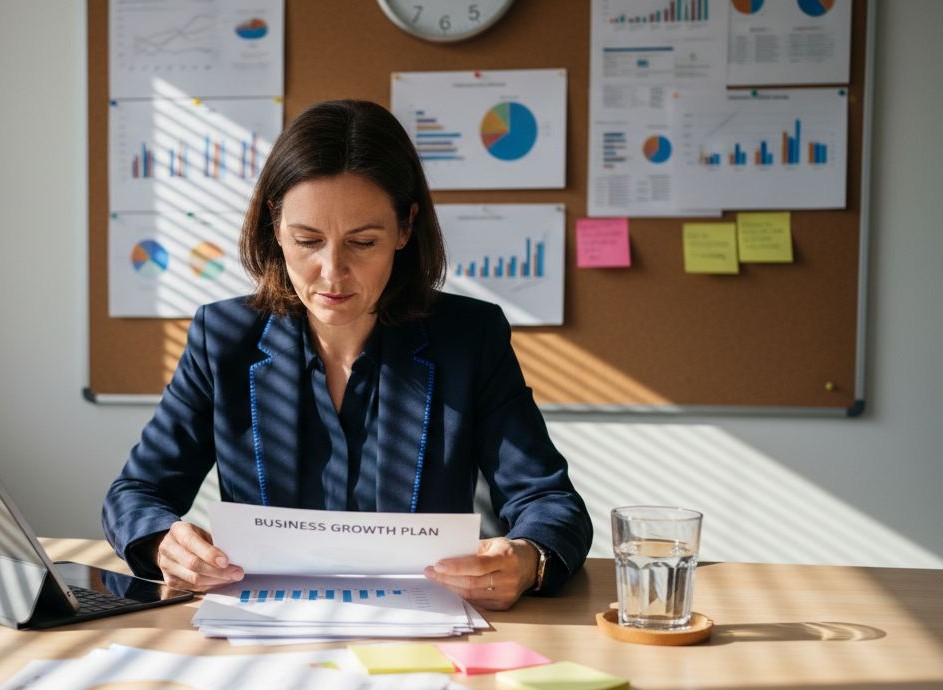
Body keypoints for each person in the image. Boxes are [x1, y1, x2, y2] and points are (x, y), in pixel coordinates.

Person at [102, 99, 591, 610]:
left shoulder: (469, 337)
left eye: (362, 242)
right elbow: (135, 493)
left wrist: (528, 558)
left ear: (405, 228)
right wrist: (163, 541)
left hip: (422, 630)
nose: (332, 273)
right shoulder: (223, 338)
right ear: (274, 225)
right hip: (266, 631)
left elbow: (550, 501)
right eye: (308, 240)